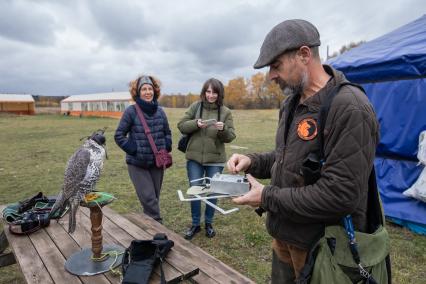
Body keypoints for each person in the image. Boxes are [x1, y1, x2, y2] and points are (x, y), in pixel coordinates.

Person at [227, 19, 380, 283]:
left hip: (322, 248)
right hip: (284, 237)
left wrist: (266, 197)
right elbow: (289, 158)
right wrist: (251, 161)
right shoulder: (292, 103)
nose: (271, 76)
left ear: (304, 54)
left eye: (276, 65)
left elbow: (340, 195)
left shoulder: (350, 108)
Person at [178, 78, 236, 240]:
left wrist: (223, 129)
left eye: (214, 92)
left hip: (215, 160)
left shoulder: (225, 112)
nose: (211, 95)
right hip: (194, 159)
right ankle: (195, 224)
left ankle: (209, 223)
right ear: (204, 92)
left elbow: (230, 136)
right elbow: (181, 125)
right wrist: (196, 124)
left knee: (213, 191)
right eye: (208, 92)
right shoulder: (195, 107)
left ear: (219, 94)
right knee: (195, 190)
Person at [115, 75, 172, 223]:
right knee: (149, 199)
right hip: (137, 164)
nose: (147, 92)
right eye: (144, 89)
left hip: (157, 163)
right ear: (138, 92)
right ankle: (159, 232)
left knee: (153, 199)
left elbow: (167, 132)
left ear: (155, 91)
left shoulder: (160, 111)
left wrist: (166, 145)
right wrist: (134, 150)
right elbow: (119, 135)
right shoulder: (131, 111)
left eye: (150, 89)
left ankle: (148, 234)